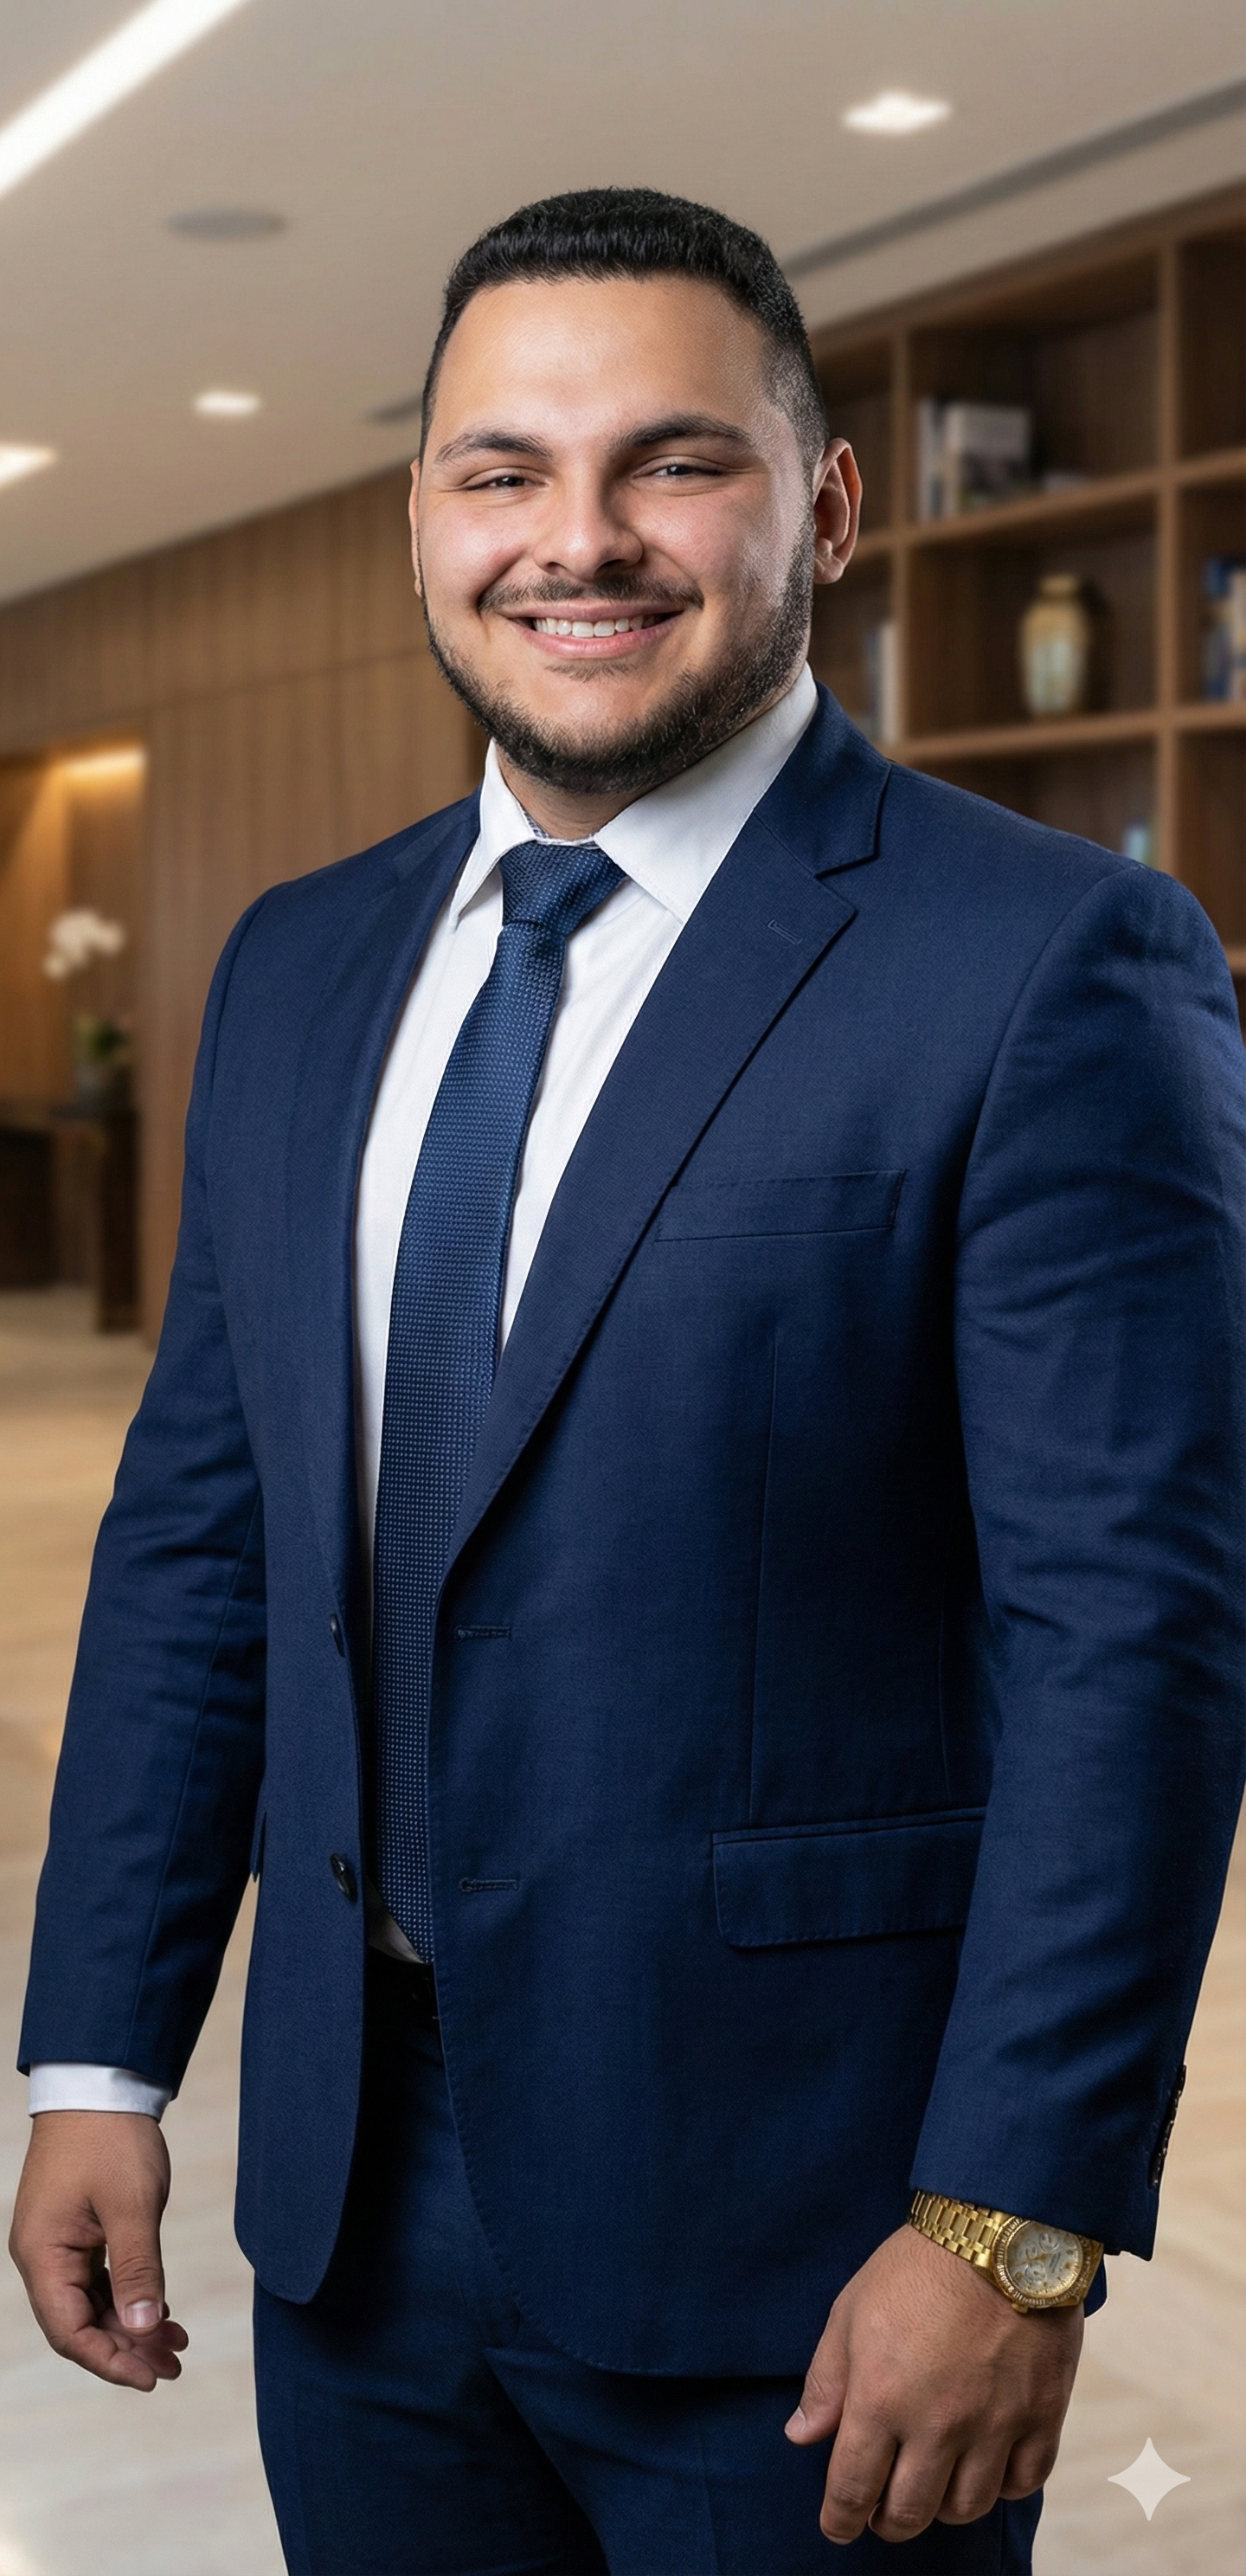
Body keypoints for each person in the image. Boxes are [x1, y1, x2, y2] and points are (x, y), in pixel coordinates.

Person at [10, 187, 1246, 2576]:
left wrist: (1014, 2219)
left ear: (827, 504)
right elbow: (205, 1541)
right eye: (502, 472)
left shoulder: (1052, 962)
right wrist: (98, 2057)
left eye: (673, 463)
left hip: (809, 2232)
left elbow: (1137, 1642)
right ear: (423, 519)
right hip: (354, 2207)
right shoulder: (298, 965)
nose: (576, 541)